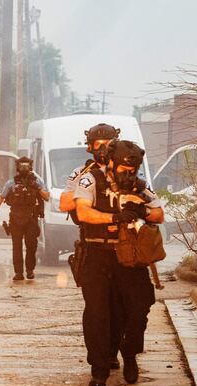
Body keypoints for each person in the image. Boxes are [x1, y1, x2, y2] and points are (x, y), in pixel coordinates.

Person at [74, 140, 164, 386]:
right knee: (97, 313)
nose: (129, 173)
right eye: (124, 169)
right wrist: (115, 216)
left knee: (141, 305)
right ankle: (99, 370)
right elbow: (83, 212)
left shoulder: (140, 184)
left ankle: (130, 351)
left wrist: (141, 212)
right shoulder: (90, 180)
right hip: (97, 254)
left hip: (129, 257)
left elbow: (159, 214)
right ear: (111, 161)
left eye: (133, 169)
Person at [60, 123, 124, 370]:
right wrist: (87, 192)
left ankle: (112, 351)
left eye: (104, 144)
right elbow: (65, 204)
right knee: (96, 308)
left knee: (120, 308)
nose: (99, 149)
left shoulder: (127, 169)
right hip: (93, 246)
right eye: (95, 144)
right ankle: (98, 359)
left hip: (124, 248)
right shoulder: (81, 172)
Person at [0, 157, 50, 280]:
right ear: (17, 167)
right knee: (16, 246)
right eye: (21, 165)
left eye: (26, 165)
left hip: (31, 218)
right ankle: (18, 273)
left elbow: (47, 197)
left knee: (31, 245)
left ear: (31, 166)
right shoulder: (11, 183)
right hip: (16, 218)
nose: (24, 168)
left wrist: (36, 187)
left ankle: (30, 270)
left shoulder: (38, 181)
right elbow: (1, 197)